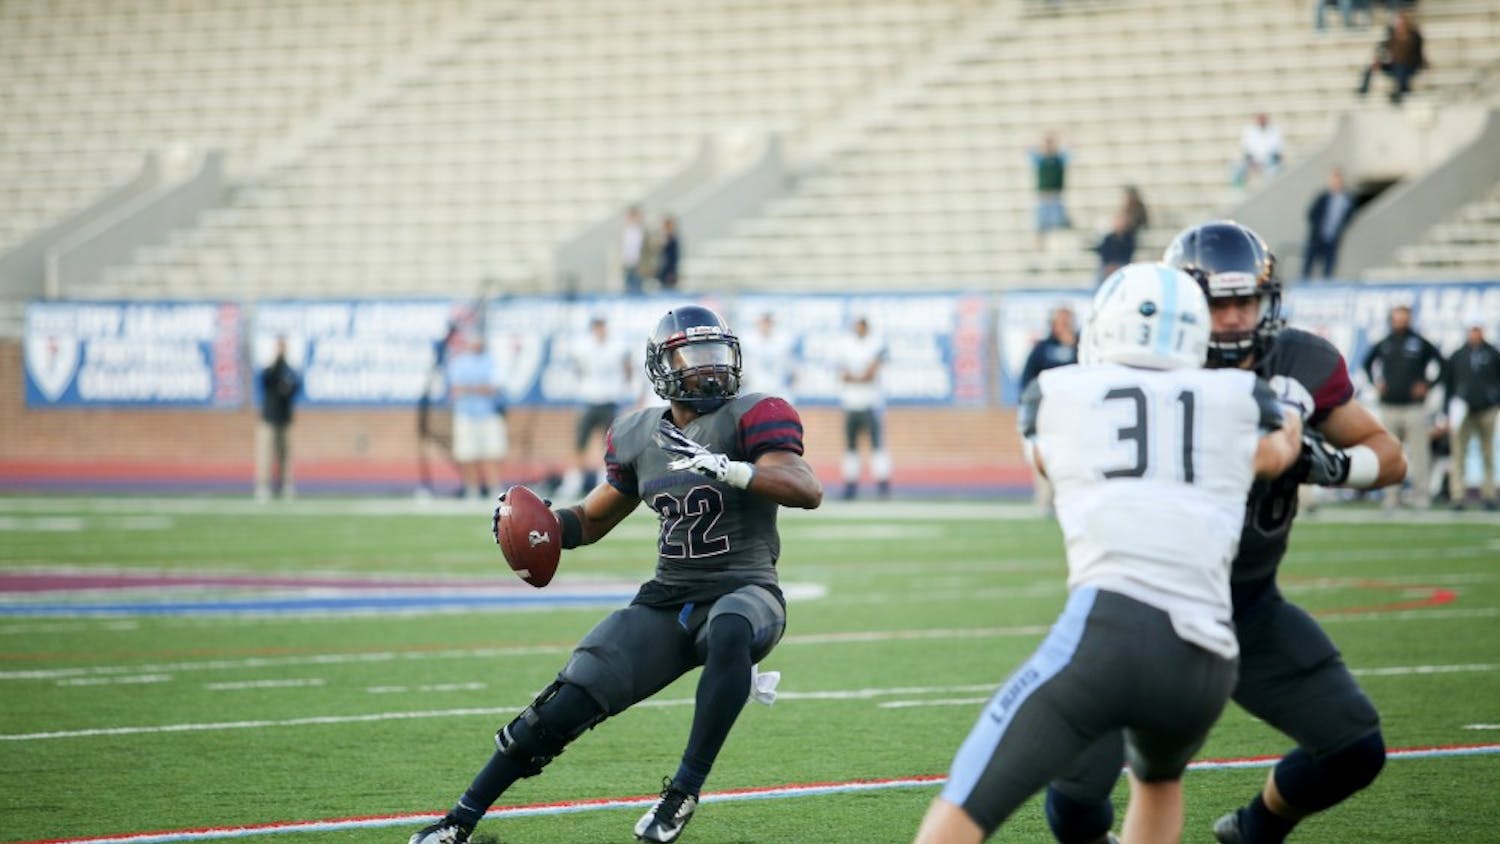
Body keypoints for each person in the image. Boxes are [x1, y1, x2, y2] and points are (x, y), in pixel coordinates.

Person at [913, 263, 1305, 844]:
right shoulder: (1241, 395)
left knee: (966, 801)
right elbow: (1277, 452)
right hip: (1207, 661)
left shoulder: (1058, 391)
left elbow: (1045, 459)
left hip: (1110, 633)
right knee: (1158, 781)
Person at [1042, 221, 1407, 844]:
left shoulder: (1298, 362)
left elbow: (1391, 456)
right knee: (1076, 799)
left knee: (1353, 747)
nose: (1236, 317)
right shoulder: (1143, 368)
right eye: (1219, 303)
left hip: (1247, 607)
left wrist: (1331, 464)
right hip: (1143, 606)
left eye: (1247, 300)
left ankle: (1255, 829)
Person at [408, 306, 822, 844]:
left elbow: (805, 488)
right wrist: (540, 527)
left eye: (716, 354)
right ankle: (457, 822)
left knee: (729, 627)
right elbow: (593, 518)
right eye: (694, 357)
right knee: (567, 699)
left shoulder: (754, 415)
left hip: (747, 589)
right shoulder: (637, 434)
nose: (710, 367)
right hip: (668, 600)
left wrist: (731, 469)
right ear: (662, 367)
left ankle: (682, 793)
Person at [1362, 304, 1444, 510]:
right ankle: (1391, 497)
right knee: (1390, 453)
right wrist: (1375, 382)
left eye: (1404, 318)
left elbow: (1442, 365)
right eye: (1397, 318)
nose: (1400, 322)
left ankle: (1421, 497)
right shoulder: (1385, 343)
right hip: (1389, 406)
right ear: (1392, 320)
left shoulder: (1419, 343)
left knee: (1419, 453)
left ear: (1409, 320)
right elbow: (1366, 363)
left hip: (1414, 408)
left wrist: (1428, 384)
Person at [556, 315, 631, 501]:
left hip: (609, 400)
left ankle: (604, 479)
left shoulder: (617, 346)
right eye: (598, 327)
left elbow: (627, 369)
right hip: (589, 399)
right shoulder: (583, 347)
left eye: (602, 326)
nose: (600, 330)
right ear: (593, 329)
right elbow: (576, 369)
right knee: (579, 442)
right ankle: (574, 480)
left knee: (608, 444)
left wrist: (622, 388)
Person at [1020, 306, 1079, 515]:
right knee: (1044, 455)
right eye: (1061, 321)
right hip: (1047, 411)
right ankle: (1045, 501)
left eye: (1068, 321)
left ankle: (1069, 500)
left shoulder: (1081, 346)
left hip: (1074, 412)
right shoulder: (1042, 349)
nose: (1065, 326)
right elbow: (1027, 381)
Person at [1443, 322, 1500, 510]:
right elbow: (1449, 384)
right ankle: (1457, 496)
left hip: (1486, 409)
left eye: (1477, 329)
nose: (1475, 333)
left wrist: (1494, 398)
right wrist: (1447, 411)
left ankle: (1489, 495)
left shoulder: (1493, 353)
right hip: (1462, 409)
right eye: (1472, 330)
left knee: (1488, 453)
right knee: (1458, 453)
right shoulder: (1458, 355)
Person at [446, 334, 508, 500]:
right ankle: (472, 489)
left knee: (493, 452)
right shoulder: (459, 362)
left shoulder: (492, 361)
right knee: (466, 454)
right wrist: (478, 389)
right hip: (465, 414)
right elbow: (456, 390)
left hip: (489, 413)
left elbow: (493, 388)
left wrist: (469, 389)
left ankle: (495, 488)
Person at [838, 315, 891, 499]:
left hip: (870, 403)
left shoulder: (876, 344)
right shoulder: (846, 344)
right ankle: (850, 487)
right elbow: (842, 374)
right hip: (850, 403)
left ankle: (883, 487)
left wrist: (856, 377)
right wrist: (859, 377)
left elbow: (871, 374)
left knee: (877, 446)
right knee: (850, 447)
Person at [254, 335, 301, 501]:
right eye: (279, 347)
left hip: (285, 417)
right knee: (265, 453)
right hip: (269, 417)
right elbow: (265, 380)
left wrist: (287, 387)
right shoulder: (270, 367)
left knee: (285, 453)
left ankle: (286, 483)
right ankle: (263, 484)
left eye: (283, 347)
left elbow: (296, 387)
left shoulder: (290, 369)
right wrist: (274, 363)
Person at [1357, 8, 1426, 104]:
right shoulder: (1391, 34)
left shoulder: (1414, 36)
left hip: (1409, 66)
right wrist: (1378, 60)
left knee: (1401, 67)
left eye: (1401, 23)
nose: (1399, 25)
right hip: (1394, 65)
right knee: (1372, 66)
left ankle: (1399, 92)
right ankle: (1363, 89)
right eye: (1398, 23)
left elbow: (1415, 55)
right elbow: (1381, 48)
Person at [1302, 168, 1356, 280]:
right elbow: (1311, 214)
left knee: (1328, 269)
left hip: (1332, 239)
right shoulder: (1323, 197)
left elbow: (1348, 217)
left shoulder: (1347, 199)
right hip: (1317, 238)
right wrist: (1317, 228)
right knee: (1308, 267)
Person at [739, 311, 797, 398]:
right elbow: (744, 368)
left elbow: (791, 366)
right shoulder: (748, 342)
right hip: (754, 389)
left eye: (768, 323)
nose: (766, 326)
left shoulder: (783, 342)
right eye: (763, 323)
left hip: (778, 389)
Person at [1030, 133, 1072, 249]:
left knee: (1058, 226)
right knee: (1039, 226)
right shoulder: (1040, 159)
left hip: (1055, 197)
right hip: (1042, 198)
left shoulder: (1059, 159)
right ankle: (1039, 249)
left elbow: (1071, 150)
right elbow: (1027, 150)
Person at [1232, 114, 1284, 188]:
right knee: (1237, 167)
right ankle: (1237, 189)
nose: (1261, 122)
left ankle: (1270, 188)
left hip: (1269, 162)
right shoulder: (1249, 131)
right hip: (1252, 161)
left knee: (1273, 170)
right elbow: (1246, 150)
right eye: (1260, 120)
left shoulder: (1274, 130)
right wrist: (1252, 163)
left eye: (1263, 120)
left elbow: (1278, 152)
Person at [1093, 211, 1137, 283]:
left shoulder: (1129, 238)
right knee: (1102, 271)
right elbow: (1104, 252)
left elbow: (1127, 254)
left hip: (1122, 264)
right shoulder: (1108, 238)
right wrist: (1110, 264)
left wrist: (1115, 265)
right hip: (1108, 265)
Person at [622, 205, 647, 295]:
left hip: (638, 265)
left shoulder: (641, 231)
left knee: (637, 287)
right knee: (628, 288)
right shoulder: (626, 231)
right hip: (628, 264)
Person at [657, 216, 681, 291]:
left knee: (670, 290)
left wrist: (672, 272)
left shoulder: (673, 239)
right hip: (663, 270)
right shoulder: (664, 238)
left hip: (670, 271)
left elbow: (674, 257)